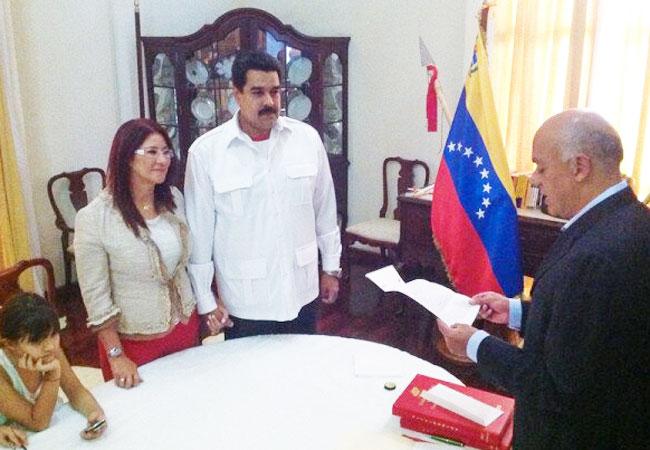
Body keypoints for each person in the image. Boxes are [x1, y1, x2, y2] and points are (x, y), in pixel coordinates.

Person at [437, 110, 650, 449]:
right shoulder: (628, 220)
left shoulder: (596, 256)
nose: (534, 180)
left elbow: (554, 387)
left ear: (579, 167)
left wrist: (475, 344)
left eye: (541, 167)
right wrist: (515, 311)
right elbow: (586, 331)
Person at [184, 50, 342, 339]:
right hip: (246, 300)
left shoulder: (306, 140)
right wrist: (206, 300)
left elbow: (325, 209)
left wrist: (331, 268)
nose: (269, 102)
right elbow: (200, 234)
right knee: (250, 369)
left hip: (302, 290)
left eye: (275, 92)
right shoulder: (207, 153)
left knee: (304, 364)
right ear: (237, 94)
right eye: (257, 92)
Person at [75, 118, 219, 388]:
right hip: (135, 343)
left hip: (183, 330)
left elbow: (186, 266)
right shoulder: (95, 218)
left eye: (166, 152)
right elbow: (96, 299)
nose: (162, 160)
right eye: (152, 152)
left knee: (190, 399)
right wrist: (116, 355)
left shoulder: (173, 199)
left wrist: (207, 306)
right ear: (128, 157)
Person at [0, 294, 106, 446]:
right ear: (10, 345)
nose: (50, 346)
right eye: (36, 341)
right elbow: (37, 422)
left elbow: (75, 391)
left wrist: (94, 413)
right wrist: (52, 377)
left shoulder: (48, 349)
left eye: (54, 334)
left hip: (47, 432)